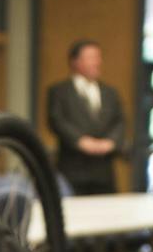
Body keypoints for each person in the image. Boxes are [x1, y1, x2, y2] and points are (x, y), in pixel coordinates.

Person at [47, 39, 129, 196]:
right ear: (75, 61)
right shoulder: (59, 92)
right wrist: (81, 141)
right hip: (73, 169)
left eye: (98, 57)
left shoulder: (110, 92)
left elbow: (120, 121)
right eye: (91, 57)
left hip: (103, 171)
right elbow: (57, 121)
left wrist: (110, 142)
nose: (97, 62)